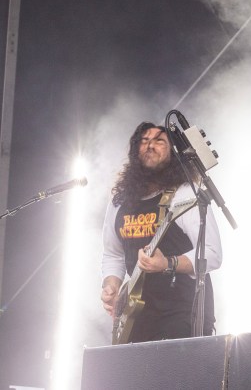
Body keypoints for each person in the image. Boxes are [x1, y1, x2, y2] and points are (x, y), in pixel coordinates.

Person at [100, 122, 222, 342]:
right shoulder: (119, 202)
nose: (150, 145)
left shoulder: (185, 194)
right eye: (144, 141)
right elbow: (113, 255)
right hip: (137, 315)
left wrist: (168, 263)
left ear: (173, 154)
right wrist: (111, 286)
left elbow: (212, 254)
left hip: (182, 312)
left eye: (159, 141)